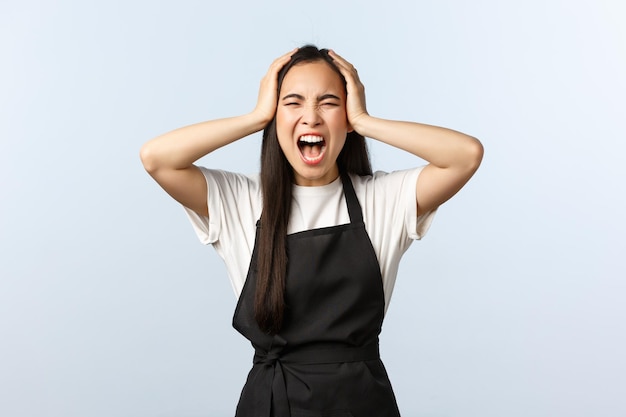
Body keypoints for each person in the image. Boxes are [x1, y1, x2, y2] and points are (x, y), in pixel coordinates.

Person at [140, 45, 483, 417]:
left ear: (347, 116)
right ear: (275, 113)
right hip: (271, 404)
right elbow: (157, 159)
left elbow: (465, 155)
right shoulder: (242, 201)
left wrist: (365, 121)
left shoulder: (382, 200)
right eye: (293, 103)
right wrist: (256, 117)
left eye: (329, 103)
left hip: (362, 405)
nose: (311, 117)